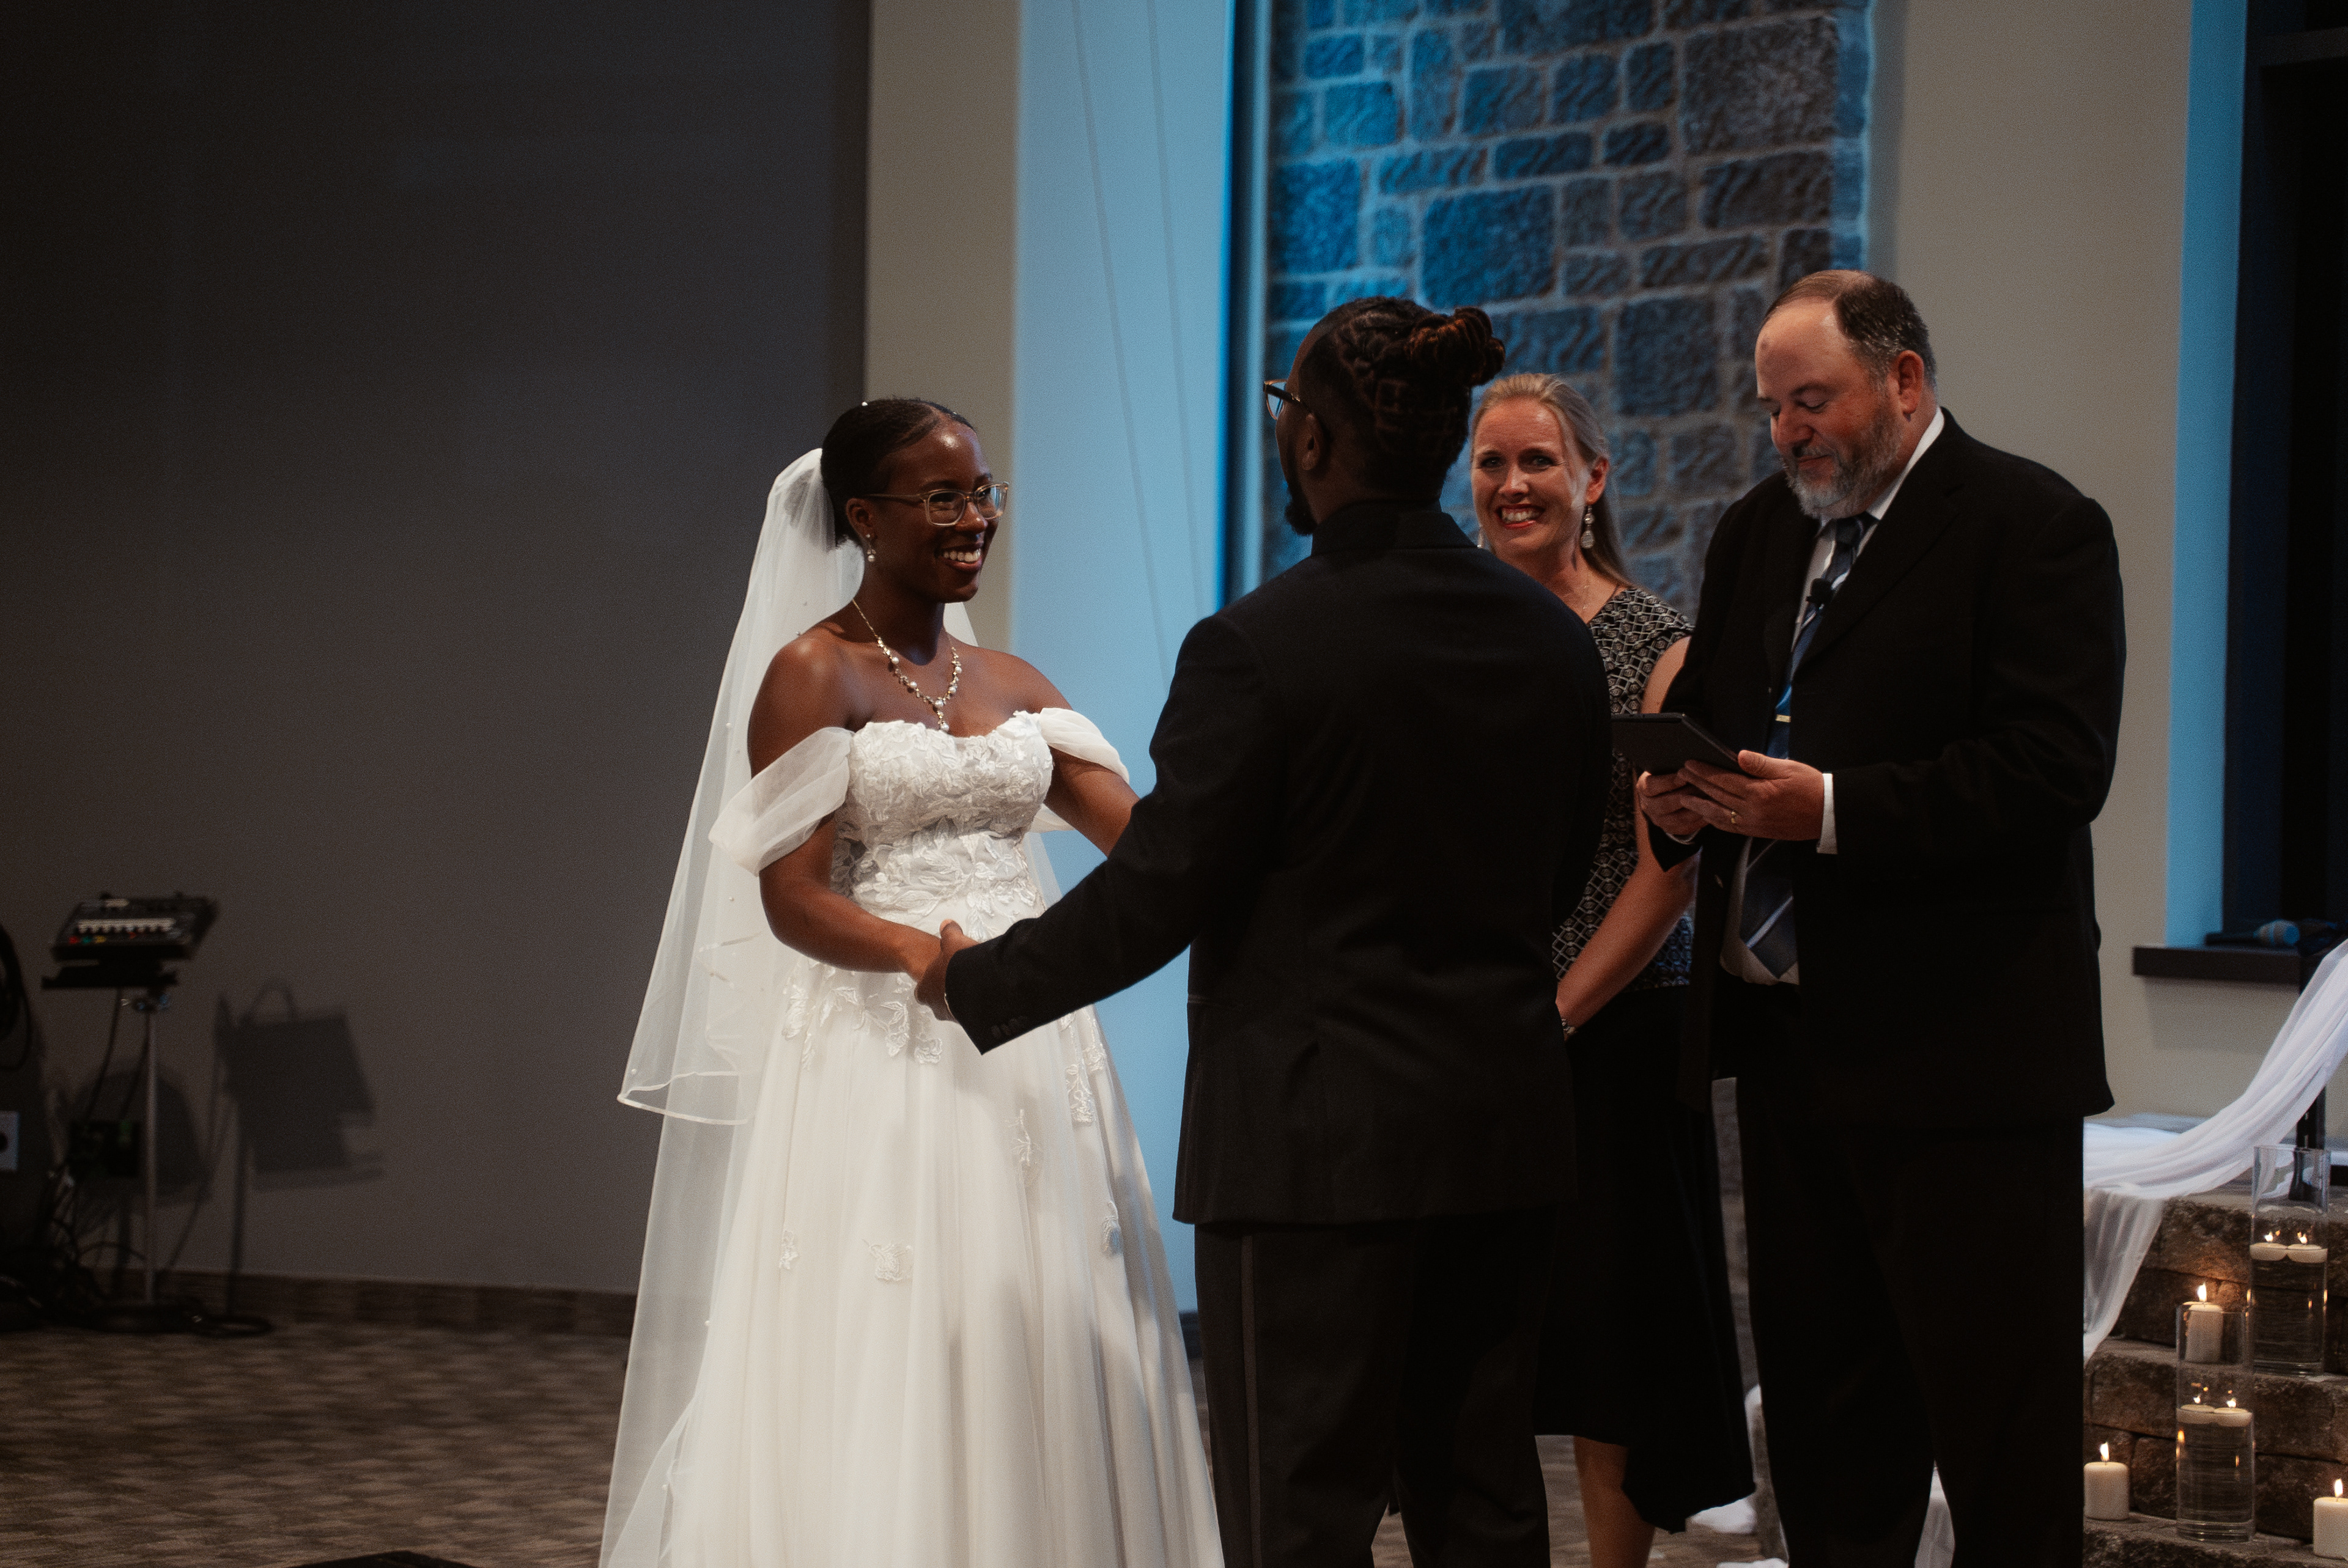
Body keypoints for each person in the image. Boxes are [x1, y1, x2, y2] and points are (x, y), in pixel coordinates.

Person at [914, 296, 1615, 1568]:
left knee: (1299, 1514)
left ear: (1312, 440)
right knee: (1486, 1501)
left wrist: (977, 978)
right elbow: (1562, 873)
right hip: (1499, 1129)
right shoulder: (1553, 642)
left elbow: (1161, 890)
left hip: (1309, 1151)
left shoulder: (1257, 646)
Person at [600, 399, 1220, 1568]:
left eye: (983, 492)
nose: (976, 517)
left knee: (1046, 1292)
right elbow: (792, 895)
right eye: (944, 497)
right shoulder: (813, 672)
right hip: (884, 1036)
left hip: (1037, 1039)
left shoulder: (1016, 680)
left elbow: (1153, 850)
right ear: (865, 518)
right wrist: (920, 959)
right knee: (906, 1308)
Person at [1638, 271, 2124, 1567]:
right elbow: (1726, 718)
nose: (1789, 431)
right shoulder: (1760, 529)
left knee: (1998, 1440)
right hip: (1793, 1055)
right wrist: (1681, 798)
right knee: (1828, 1435)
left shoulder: (2033, 524)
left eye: (1814, 399)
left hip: (1963, 1061)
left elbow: (2055, 768)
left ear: (1903, 379)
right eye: (1772, 407)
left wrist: (1832, 811)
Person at [1468, 373, 1752, 1567]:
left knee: (1609, 1347)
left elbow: (1668, 875)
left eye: (1538, 460)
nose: (1513, 485)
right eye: (1491, 462)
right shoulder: (1455, 630)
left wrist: (1553, 1015)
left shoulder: (1655, 645)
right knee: (1478, 1337)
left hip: (1616, 1029)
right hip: (1475, 1027)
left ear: (1593, 478)